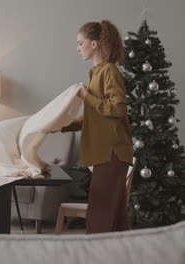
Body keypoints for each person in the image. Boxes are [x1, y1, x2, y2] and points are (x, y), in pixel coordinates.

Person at [60, 20, 134, 234]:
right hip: (107, 153)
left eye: (80, 43)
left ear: (94, 44)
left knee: (99, 216)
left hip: (112, 152)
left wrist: (86, 96)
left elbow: (118, 109)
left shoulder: (109, 71)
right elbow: (93, 117)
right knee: (116, 218)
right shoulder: (96, 74)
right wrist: (61, 126)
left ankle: (94, 254)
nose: (77, 48)